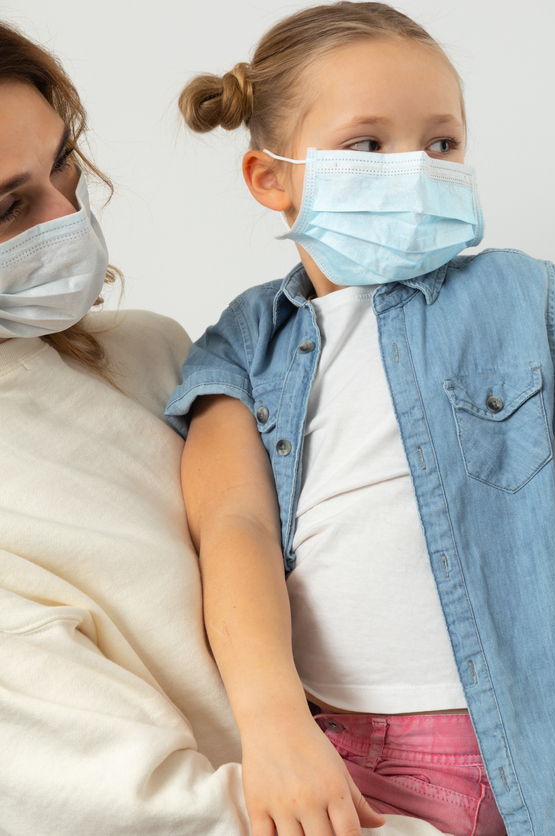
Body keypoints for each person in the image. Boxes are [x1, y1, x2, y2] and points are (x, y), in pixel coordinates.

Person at [168, 4, 555, 836]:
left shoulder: (521, 297)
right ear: (270, 178)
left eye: (441, 143)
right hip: (325, 755)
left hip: (508, 759)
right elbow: (233, 527)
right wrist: (273, 722)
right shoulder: (244, 345)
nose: (415, 170)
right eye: (367, 145)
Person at [0, 19, 442, 836]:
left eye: (64, 163)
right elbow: (148, 814)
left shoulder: (156, 354)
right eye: (8, 206)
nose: (68, 218)